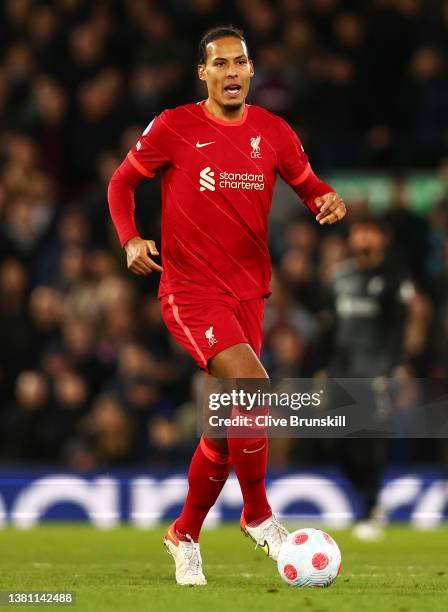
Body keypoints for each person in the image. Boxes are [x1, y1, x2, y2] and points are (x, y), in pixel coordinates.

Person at [107, 25, 346, 586]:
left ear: (252, 70)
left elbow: (309, 185)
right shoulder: (174, 127)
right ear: (203, 73)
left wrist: (326, 200)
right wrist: (131, 240)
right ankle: (258, 513)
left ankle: (183, 534)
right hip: (190, 290)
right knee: (252, 386)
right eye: (221, 64)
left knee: (224, 425)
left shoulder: (274, 131)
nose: (232, 72)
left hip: (249, 294)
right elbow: (121, 183)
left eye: (241, 62)